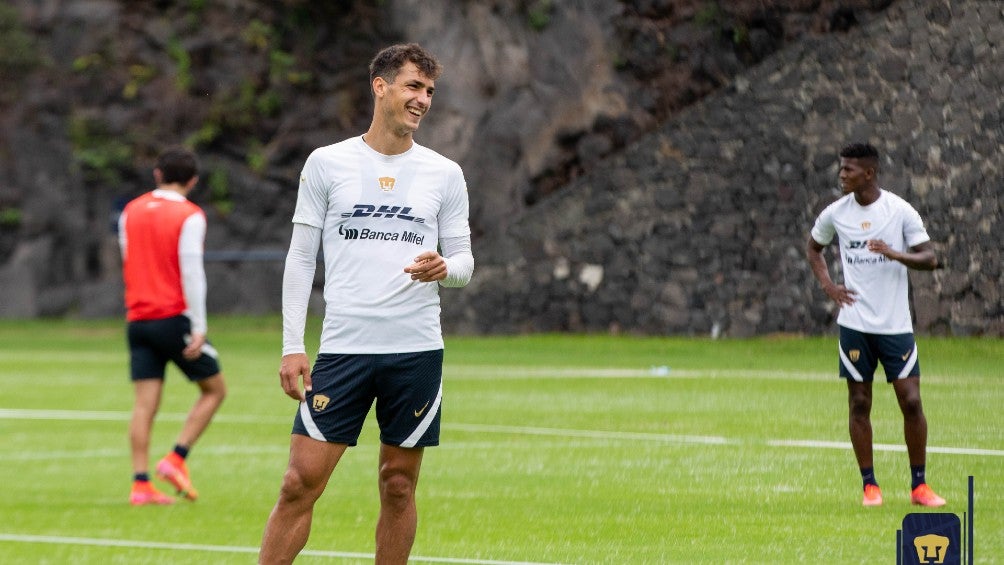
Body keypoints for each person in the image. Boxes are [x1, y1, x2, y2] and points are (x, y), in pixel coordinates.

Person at [258, 43, 474, 564]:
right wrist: (292, 346)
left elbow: (465, 263)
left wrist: (445, 269)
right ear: (380, 87)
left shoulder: (445, 173)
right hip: (344, 350)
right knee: (298, 482)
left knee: (398, 485)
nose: (422, 100)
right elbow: (300, 258)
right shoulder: (327, 163)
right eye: (412, 87)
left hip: (415, 351)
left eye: (429, 91)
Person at [806, 142, 945, 508]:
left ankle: (919, 487)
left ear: (869, 173)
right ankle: (870, 486)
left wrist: (894, 253)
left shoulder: (899, 211)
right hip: (855, 325)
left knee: (911, 401)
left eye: (849, 169)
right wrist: (829, 286)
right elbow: (813, 248)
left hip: (895, 326)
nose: (842, 174)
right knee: (859, 403)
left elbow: (931, 259)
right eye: (841, 168)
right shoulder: (835, 214)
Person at [118, 147, 227, 506]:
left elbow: (127, 257)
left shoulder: (129, 211)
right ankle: (175, 458)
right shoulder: (190, 215)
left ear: (157, 174)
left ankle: (140, 484)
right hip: (171, 317)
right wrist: (199, 326)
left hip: (137, 320)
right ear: (193, 180)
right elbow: (192, 272)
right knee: (214, 390)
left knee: (144, 404)